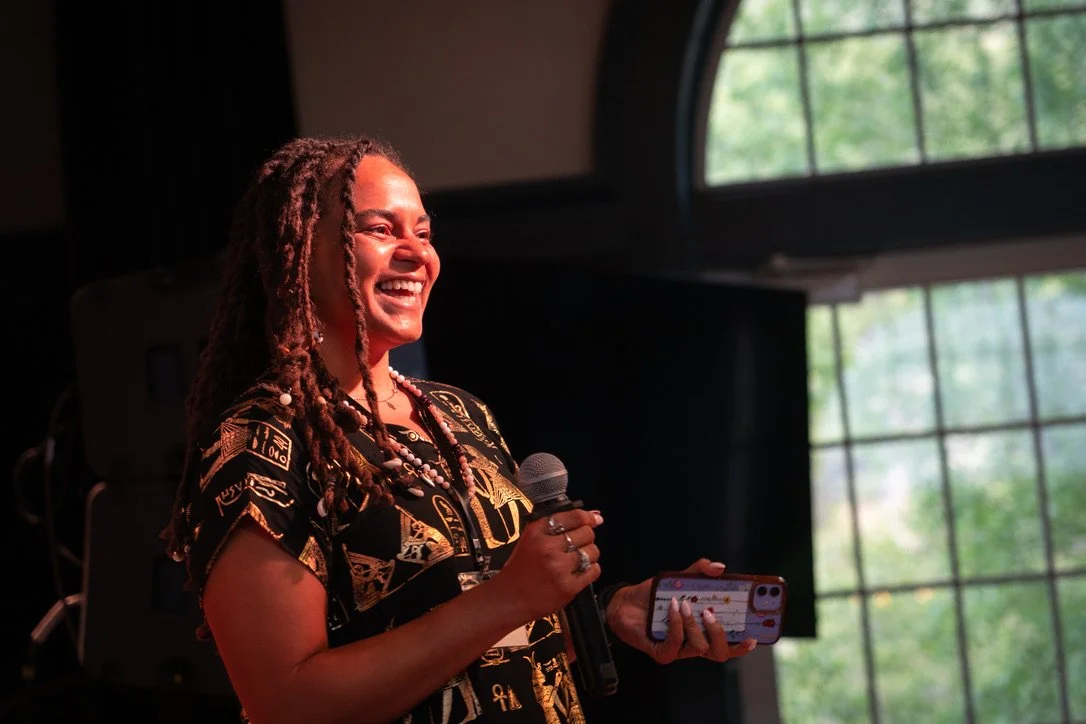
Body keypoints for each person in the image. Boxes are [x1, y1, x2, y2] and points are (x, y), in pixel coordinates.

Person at [163, 135, 757, 724]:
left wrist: (614, 614)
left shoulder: (457, 413)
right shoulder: (260, 443)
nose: (416, 253)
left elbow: (492, 654)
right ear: (296, 252)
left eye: (423, 233)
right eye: (380, 229)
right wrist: (509, 597)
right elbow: (286, 705)